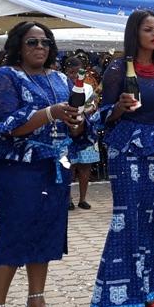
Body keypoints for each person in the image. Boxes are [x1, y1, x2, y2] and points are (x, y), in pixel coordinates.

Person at [0, 21, 89, 307]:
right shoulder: (4, 77)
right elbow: (4, 125)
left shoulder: (60, 79)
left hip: (55, 166)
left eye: (44, 42)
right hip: (18, 169)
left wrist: (76, 121)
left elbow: (76, 127)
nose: (39, 47)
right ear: (18, 45)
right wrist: (52, 112)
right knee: (16, 233)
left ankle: (36, 299)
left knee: (45, 232)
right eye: (31, 42)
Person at [90, 10, 154, 307]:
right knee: (127, 216)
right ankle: (124, 295)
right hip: (125, 147)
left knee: (151, 216)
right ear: (135, 34)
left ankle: (149, 289)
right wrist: (117, 108)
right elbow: (102, 115)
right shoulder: (117, 68)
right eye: (148, 30)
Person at [63, 55, 100, 209]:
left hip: (86, 129)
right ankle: (68, 199)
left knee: (85, 166)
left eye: (78, 72)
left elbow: (93, 105)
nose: (75, 76)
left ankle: (83, 198)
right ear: (66, 72)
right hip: (67, 130)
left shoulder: (88, 87)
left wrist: (86, 110)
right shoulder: (62, 86)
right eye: (71, 72)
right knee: (69, 165)